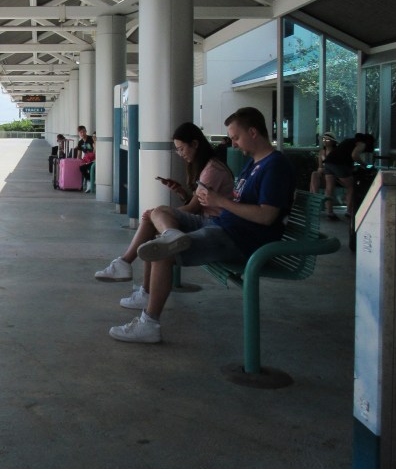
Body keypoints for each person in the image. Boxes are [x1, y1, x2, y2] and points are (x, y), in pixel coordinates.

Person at [108, 107, 295, 345]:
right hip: (224, 226)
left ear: (253, 132)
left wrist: (219, 201)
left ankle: (149, 323)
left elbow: (267, 216)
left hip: (239, 238)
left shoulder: (275, 166)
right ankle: (169, 235)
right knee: (158, 213)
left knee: (162, 251)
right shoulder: (255, 164)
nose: (234, 144)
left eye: (236, 137)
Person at [94, 123, 234, 297]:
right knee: (153, 228)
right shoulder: (206, 166)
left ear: (195, 144)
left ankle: (129, 269)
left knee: (155, 220)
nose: (181, 154)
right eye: (178, 150)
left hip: (214, 226)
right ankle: (139, 282)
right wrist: (181, 193)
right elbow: (197, 204)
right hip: (207, 221)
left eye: (182, 149)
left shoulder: (212, 170)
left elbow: (192, 209)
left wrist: (162, 214)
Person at [323, 132, 375, 218]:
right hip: (339, 164)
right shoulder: (362, 143)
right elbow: (354, 155)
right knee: (351, 187)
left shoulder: (350, 141)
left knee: (329, 189)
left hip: (329, 162)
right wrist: (364, 165)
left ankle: (329, 212)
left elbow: (346, 153)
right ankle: (349, 211)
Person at [309, 132, 337, 219]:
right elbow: (320, 166)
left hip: (333, 174)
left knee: (315, 181)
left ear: (333, 141)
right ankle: (316, 197)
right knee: (314, 174)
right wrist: (321, 170)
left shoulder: (336, 152)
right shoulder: (321, 152)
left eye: (327, 139)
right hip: (323, 174)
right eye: (323, 139)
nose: (325, 141)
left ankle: (316, 202)